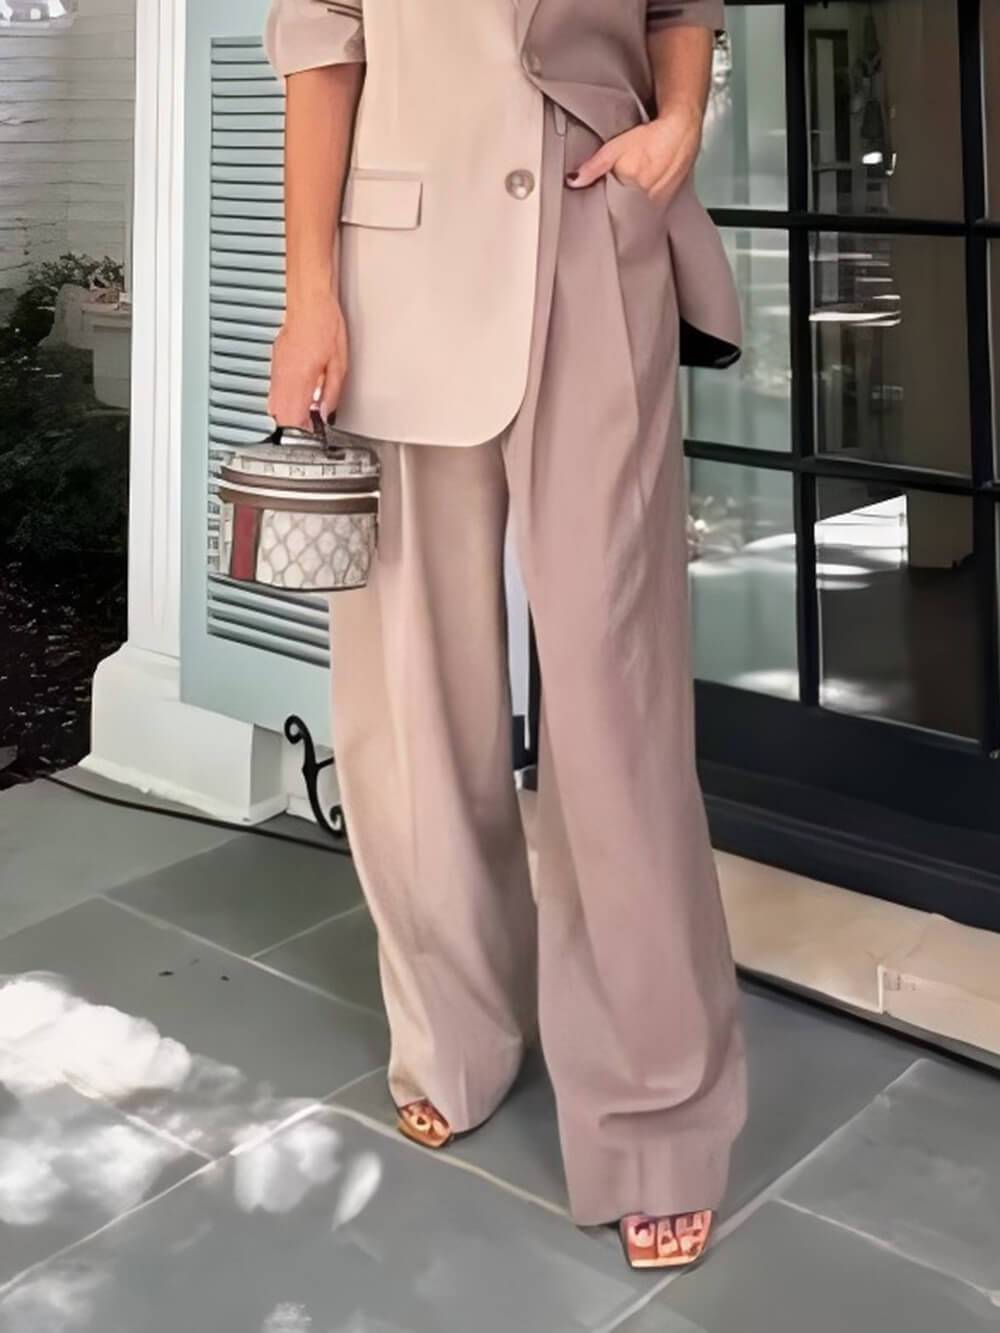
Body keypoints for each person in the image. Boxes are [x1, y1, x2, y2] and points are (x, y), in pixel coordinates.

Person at [263, 0, 748, 1271]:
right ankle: (453, 1035)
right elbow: (322, 45)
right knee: (412, 690)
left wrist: (679, 121)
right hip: (399, 267)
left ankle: (656, 1114)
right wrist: (309, 298)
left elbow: (680, 8)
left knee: (617, 693)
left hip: (595, 238)